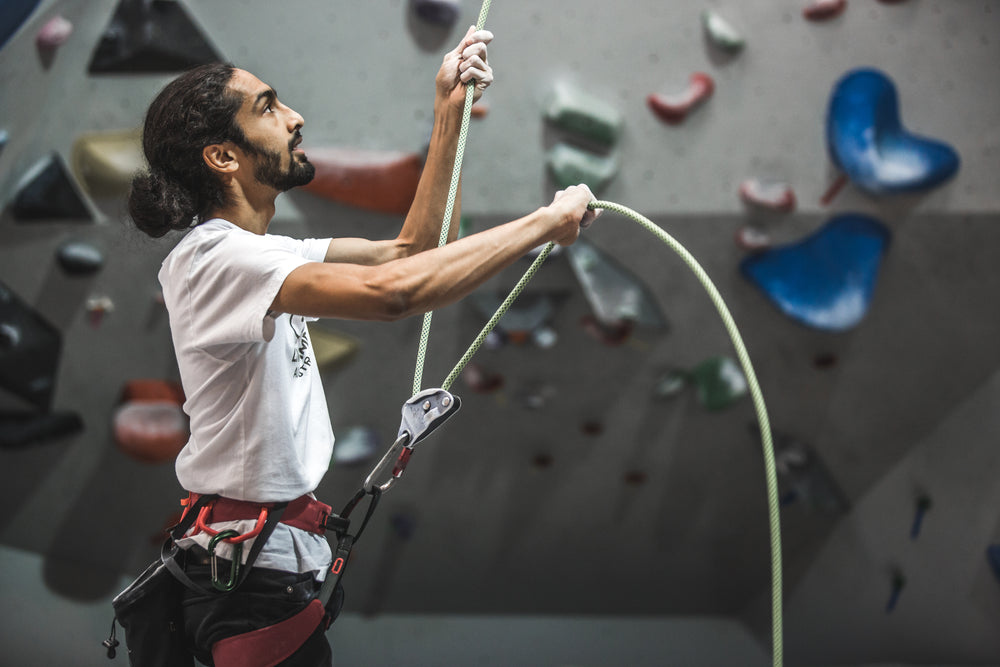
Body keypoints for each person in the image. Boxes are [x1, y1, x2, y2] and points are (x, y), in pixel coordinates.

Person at [128, 25, 598, 667]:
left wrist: (448, 114)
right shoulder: (215, 257)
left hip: (261, 564)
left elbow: (414, 252)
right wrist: (544, 222)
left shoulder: (266, 254)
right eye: (267, 107)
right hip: (248, 575)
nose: (295, 118)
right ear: (223, 157)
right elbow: (393, 294)